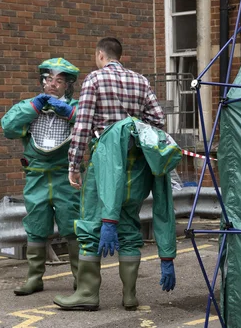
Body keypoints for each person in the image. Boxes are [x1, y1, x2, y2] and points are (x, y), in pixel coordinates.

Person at [53, 38, 178, 311]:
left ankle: (87, 294)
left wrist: (74, 165)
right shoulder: (141, 81)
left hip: (106, 162)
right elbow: (157, 121)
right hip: (138, 166)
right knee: (129, 225)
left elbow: (83, 125)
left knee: (91, 224)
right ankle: (129, 295)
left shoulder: (95, 79)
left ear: (100, 55)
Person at [1, 57, 81, 296]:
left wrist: (70, 113)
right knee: (35, 226)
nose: (52, 84)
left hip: (66, 176)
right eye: (48, 78)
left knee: (74, 225)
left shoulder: (78, 106)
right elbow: (8, 127)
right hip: (36, 176)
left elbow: (94, 124)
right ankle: (34, 278)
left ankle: (81, 278)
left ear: (68, 84)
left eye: (59, 80)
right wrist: (34, 107)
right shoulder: (29, 106)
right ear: (42, 81)